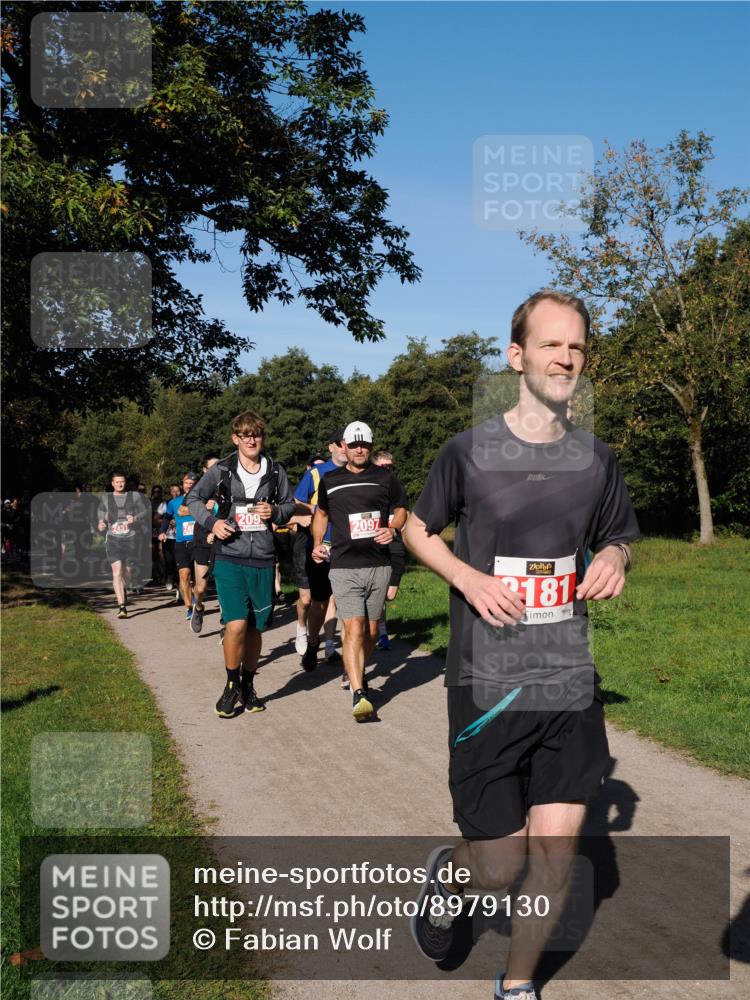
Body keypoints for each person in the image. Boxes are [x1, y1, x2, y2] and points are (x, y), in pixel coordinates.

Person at [403, 290, 640, 1000]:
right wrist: (467, 577)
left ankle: (518, 987)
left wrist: (615, 560)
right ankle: (452, 872)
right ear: (517, 357)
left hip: (566, 676)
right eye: (550, 345)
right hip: (485, 681)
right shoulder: (468, 453)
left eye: (576, 348)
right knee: (501, 868)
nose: (566, 358)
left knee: (557, 855)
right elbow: (416, 530)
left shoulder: (597, 461)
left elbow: (620, 534)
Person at [186, 410, 295, 718]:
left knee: (256, 629)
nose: (251, 439)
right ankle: (231, 683)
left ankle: (248, 684)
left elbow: (289, 505)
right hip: (229, 556)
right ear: (235, 438)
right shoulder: (221, 470)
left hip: (262, 558)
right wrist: (213, 523)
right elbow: (193, 499)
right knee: (235, 624)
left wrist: (274, 512)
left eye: (256, 434)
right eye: (245, 435)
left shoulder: (275, 471)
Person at [311, 421, 408, 721]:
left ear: (369, 445)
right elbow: (322, 513)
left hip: (378, 564)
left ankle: (355, 668)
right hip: (344, 565)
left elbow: (402, 508)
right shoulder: (330, 480)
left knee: (371, 630)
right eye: (353, 445)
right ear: (344, 447)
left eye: (363, 444)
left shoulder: (385, 478)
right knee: (352, 626)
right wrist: (317, 542)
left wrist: (392, 529)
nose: (358, 449)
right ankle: (359, 692)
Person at [292, 431, 348, 672]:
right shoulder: (316, 473)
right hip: (320, 547)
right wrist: (315, 508)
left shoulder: (358, 473)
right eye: (341, 443)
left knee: (346, 603)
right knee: (320, 603)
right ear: (331, 447)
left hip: (348, 546)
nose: (346, 448)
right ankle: (313, 641)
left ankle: (347, 663)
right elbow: (296, 501)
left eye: (350, 443)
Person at [371, 450, 408, 650]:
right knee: (375, 595)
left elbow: (405, 514)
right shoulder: (366, 488)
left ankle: (377, 627)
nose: (388, 471)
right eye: (384, 467)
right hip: (371, 548)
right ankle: (380, 632)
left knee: (389, 595)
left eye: (391, 467)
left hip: (394, 546)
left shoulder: (396, 488)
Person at [97, 471, 146, 618]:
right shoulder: (106, 498)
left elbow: (145, 511)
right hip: (113, 539)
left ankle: (124, 589)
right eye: (117, 482)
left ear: (125, 483)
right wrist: (101, 522)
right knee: (117, 571)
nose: (120, 484)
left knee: (128, 572)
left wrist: (135, 518)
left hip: (130, 538)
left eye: (122, 482)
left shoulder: (135, 496)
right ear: (112, 483)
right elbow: (100, 512)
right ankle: (122, 606)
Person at [160, 472, 200, 623]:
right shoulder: (174, 502)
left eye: (192, 482)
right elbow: (166, 517)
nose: (189, 485)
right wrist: (163, 532)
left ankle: (197, 601)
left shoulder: (203, 501)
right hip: (181, 543)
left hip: (199, 543)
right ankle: (190, 607)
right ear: (183, 484)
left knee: (198, 579)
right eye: (186, 483)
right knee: (184, 575)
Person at [190, 454, 220, 635]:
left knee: (224, 584)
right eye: (212, 467)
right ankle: (199, 607)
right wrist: (202, 506)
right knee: (201, 587)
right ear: (204, 470)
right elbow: (185, 508)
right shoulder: (199, 487)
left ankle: (227, 624)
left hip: (223, 538)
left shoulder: (229, 485)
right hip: (202, 538)